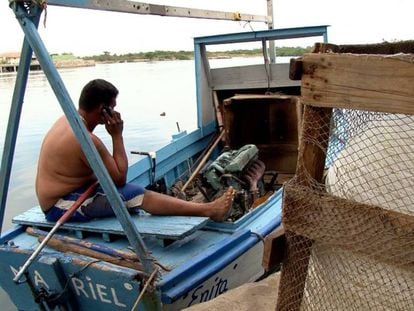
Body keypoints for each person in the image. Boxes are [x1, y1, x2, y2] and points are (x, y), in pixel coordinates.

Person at [35, 79, 234, 222]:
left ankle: (203, 209)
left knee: (129, 190)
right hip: (60, 207)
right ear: (103, 109)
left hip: (69, 193)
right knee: (134, 193)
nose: (115, 112)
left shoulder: (66, 120)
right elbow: (120, 178)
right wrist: (117, 135)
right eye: (112, 107)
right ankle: (208, 210)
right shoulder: (86, 140)